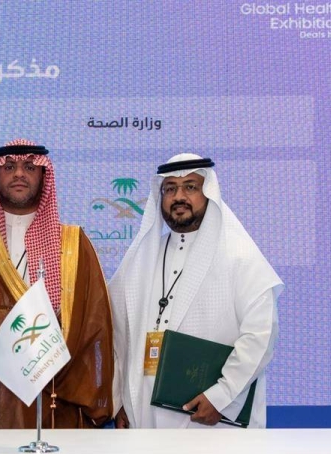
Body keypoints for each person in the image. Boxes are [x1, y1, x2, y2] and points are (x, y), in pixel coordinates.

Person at [0, 139, 114, 429]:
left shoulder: (73, 245)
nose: (19, 173)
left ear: (44, 175)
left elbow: (95, 326)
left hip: (55, 400)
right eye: (9, 167)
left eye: (29, 167)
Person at [109, 153, 283, 428]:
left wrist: (221, 396)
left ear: (209, 193)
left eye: (190, 187)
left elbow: (260, 335)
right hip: (144, 413)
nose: (179, 197)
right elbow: (117, 336)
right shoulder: (140, 260)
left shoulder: (239, 256)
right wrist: (120, 400)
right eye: (170, 189)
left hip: (211, 417)